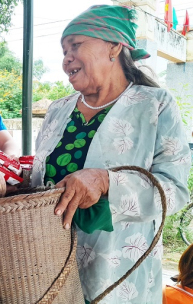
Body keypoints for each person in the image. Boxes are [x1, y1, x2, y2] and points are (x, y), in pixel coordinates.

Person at [31, 5, 190, 304]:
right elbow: (38, 180)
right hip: (50, 273)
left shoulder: (154, 105)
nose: (66, 58)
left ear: (114, 46)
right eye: (64, 50)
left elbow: (176, 190)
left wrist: (107, 182)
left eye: (76, 45)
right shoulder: (57, 111)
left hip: (119, 276)